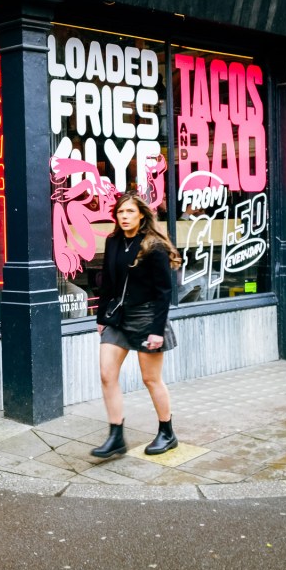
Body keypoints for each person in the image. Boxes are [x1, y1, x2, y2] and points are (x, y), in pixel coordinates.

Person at [91, 191, 182, 458]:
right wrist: (101, 318)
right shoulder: (113, 241)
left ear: (141, 214)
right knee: (107, 374)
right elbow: (107, 282)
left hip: (147, 316)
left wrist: (157, 330)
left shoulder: (153, 245)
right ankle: (116, 436)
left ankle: (167, 432)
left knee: (150, 379)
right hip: (118, 317)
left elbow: (164, 292)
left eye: (130, 211)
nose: (125, 216)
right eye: (120, 212)